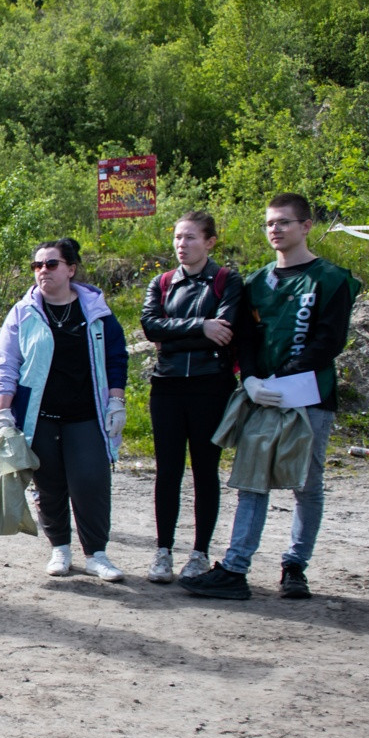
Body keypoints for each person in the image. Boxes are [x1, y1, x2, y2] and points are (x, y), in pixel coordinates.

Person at [181, 193, 359, 602]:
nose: (275, 230)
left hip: (310, 395)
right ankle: (235, 568)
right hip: (262, 394)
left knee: (307, 483)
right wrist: (254, 378)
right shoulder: (258, 281)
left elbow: (329, 340)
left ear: (306, 226)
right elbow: (245, 337)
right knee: (252, 478)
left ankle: (295, 565)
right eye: (269, 224)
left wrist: (285, 378)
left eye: (284, 222)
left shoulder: (330, 278)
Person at [0, 238, 129, 581]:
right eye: (37, 266)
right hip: (40, 416)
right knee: (49, 484)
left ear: (71, 269)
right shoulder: (23, 312)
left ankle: (97, 554)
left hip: (86, 414)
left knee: (90, 481)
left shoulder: (96, 311)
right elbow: (7, 364)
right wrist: (4, 413)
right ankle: (60, 550)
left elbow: (116, 358)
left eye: (51, 264)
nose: (43, 271)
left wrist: (116, 400)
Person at [140, 211, 245, 584]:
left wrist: (174, 334)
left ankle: (199, 553)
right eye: (177, 238)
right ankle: (163, 551)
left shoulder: (227, 280)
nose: (182, 245)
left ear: (210, 242)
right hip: (167, 386)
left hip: (209, 385)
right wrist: (201, 325)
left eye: (191, 238)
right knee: (167, 471)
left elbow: (227, 329)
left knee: (205, 470)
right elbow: (151, 326)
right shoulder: (163, 282)